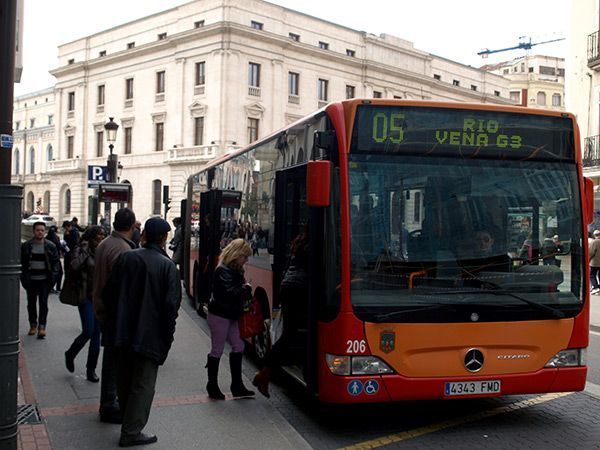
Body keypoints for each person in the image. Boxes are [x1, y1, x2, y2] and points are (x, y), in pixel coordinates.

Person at [103, 217, 181, 447]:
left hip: (121, 332)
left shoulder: (127, 258)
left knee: (125, 381)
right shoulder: (167, 266)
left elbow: (109, 294)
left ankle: (129, 424)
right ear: (165, 238)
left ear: (145, 234)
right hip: (149, 336)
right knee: (142, 385)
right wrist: (167, 339)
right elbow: (171, 308)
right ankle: (131, 430)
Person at [92, 207, 137, 424]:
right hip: (116, 313)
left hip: (103, 308)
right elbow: (123, 289)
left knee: (110, 358)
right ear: (131, 225)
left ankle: (107, 402)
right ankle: (110, 404)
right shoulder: (123, 250)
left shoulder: (105, 243)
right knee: (116, 361)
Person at [253, 232, 309, 398]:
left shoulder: (300, 241)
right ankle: (264, 374)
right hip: (299, 290)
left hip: (290, 288)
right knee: (289, 336)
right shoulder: (317, 240)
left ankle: (265, 374)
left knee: (289, 335)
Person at [206, 238, 255, 400]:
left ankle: (237, 385)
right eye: (245, 257)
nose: (246, 260)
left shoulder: (233, 269)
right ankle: (212, 385)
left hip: (231, 314)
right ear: (236, 255)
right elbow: (228, 292)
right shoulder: (223, 270)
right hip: (220, 315)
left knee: (239, 346)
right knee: (217, 350)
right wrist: (244, 289)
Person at [65, 226, 106, 383]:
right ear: (91, 236)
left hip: (100, 297)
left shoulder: (103, 250)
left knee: (97, 335)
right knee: (88, 330)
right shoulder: (81, 249)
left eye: (103, 235)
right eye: (98, 235)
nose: (101, 238)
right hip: (86, 296)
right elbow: (74, 266)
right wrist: (85, 251)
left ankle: (91, 369)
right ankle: (71, 353)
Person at [20, 222, 60, 339]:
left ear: (45, 231)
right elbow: (22, 263)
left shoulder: (50, 245)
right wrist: (23, 278)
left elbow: (55, 262)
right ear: (34, 231)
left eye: (42, 230)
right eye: (38, 230)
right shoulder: (26, 245)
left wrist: (53, 278)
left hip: (44, 280)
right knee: (31, 304)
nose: (40, 232)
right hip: (31, 280)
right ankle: (33, 325)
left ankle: (42, 327)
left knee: (43, 303)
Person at [46, 225, 64, 293]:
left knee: (51, 273)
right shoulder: (56, 238)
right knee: (59, 273)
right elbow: (59, 246)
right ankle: (57, 287)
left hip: (49, 259)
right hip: (56, 258)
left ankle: (50, 287)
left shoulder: (47, 238)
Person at [589, 230, 600, 295]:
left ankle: (596, 288)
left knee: (592, 275)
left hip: (595, 262)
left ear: (595, 235)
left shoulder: (595, 242)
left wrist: (588, 260)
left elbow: (591, 252)